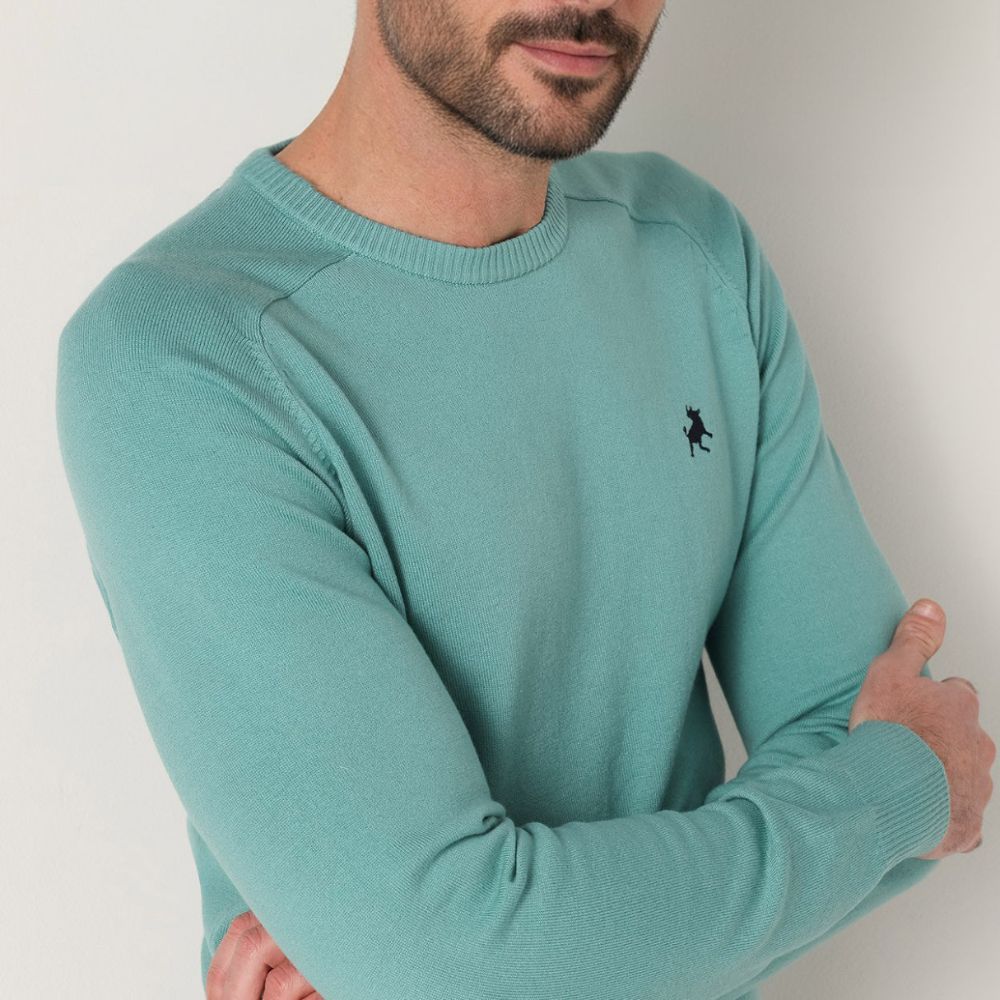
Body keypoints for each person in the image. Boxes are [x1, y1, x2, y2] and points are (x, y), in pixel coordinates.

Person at [55, 2, 994, 999]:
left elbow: (853, 728)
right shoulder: (180, 355)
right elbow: (460, 953)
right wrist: (898, 791)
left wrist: (485, 954)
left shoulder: (692, 249)